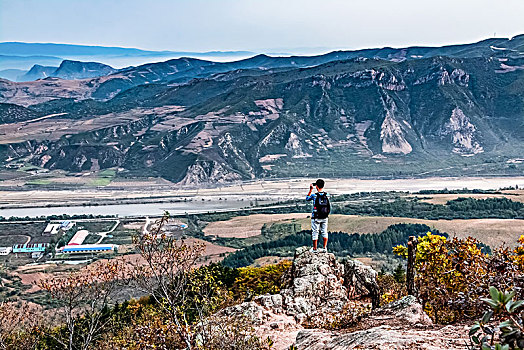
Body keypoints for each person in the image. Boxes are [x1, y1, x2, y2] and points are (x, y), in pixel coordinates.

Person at [306, 179, 331, 253]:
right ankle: (324, 248)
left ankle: (315, 249)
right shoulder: (327, 195)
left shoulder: (314, 196)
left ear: (316, 186)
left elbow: (307, 198)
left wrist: (310, 190)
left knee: (315, 232)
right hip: (325, 216)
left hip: (316, 217)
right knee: (324, 231)